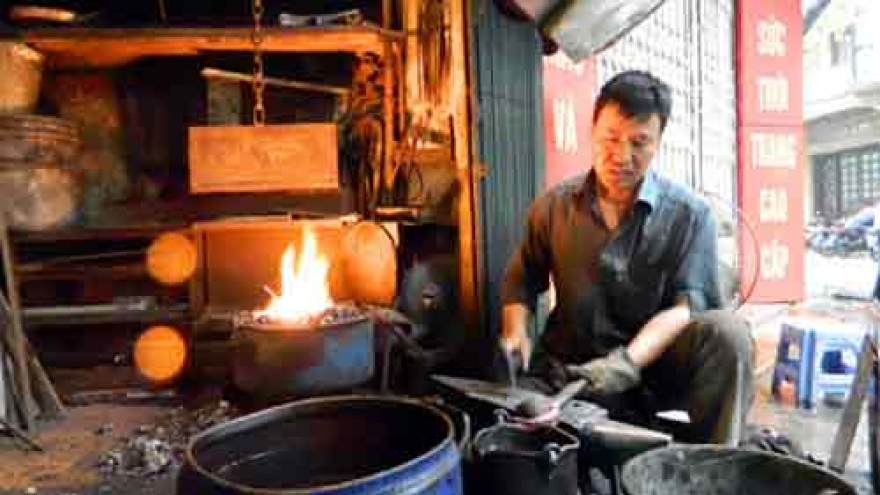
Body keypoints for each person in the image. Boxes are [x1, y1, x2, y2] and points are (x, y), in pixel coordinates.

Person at [500, 70, 754, 445]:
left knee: (729, 335)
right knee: (504, 432)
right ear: (592, 131)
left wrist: (627, 364)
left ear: (658, 142)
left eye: (639, 143)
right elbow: (521, 280)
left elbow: (686, 309)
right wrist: (515, 331)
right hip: (570, 370)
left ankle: (710, 464)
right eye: (611, 138)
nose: (622, 156)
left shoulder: (690, 215)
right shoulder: (553, 208)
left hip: (651, 371)